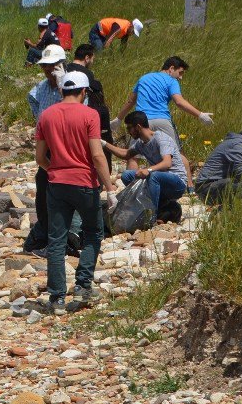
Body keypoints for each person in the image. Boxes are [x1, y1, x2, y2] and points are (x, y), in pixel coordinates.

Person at [35, 72, 116, 315]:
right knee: (93, 232)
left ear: (62, 91)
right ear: (84, 92)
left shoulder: (46, 115)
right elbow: (97, 155)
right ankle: (82, 286)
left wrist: (56, 171)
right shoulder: (90, 114)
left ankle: (57, 299)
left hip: (57, 184)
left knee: (56, 240)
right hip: (85, 183)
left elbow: (40, 158)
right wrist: (110, 188)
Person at [113, 56, 213, 189]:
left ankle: (133, 187)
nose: (180, 77)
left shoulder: (144, 78)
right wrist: (200, 115)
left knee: (133, 156)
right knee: (177, 152)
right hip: (162, 120)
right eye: (180, 72)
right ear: (171, 68)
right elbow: (179, 102)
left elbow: (130, 101)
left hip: (141, 122)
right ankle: (189, 187)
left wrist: (118, 119)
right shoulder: (171, 81)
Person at [23, 44, 67, 255]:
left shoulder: (71, 85)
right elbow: (34, 106)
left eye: (52, 66)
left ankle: (63, 238)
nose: (48, 71)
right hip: (47, 145)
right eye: (45, 67)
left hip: (66, 146)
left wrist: (62, 85)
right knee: (43, 187)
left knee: (62, 191)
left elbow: (77, 109)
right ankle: (46, 231)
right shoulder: (40, 88)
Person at [104, 111, 188, 217]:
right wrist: (104, 143)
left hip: (177, 183)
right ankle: (141, 205)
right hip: (158, 180)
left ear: (138, 127)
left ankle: (151, 215)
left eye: (129, 128)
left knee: (153, 176)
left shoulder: (161, 138)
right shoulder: (141, 143)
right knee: (127, 175)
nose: (128, 131)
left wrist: (148, 170)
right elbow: (126, 154)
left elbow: (167, 163)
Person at [65, 43, 113, 168]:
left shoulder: (66, 68)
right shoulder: (87, 73)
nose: (92, 61)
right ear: (87, 57)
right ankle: (105, 167)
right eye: (92, 58)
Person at [194, 132, 242, 205]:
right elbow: (240, 174)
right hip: (207, 190)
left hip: (212, 186)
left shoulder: (239, 142)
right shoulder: (239, 144)